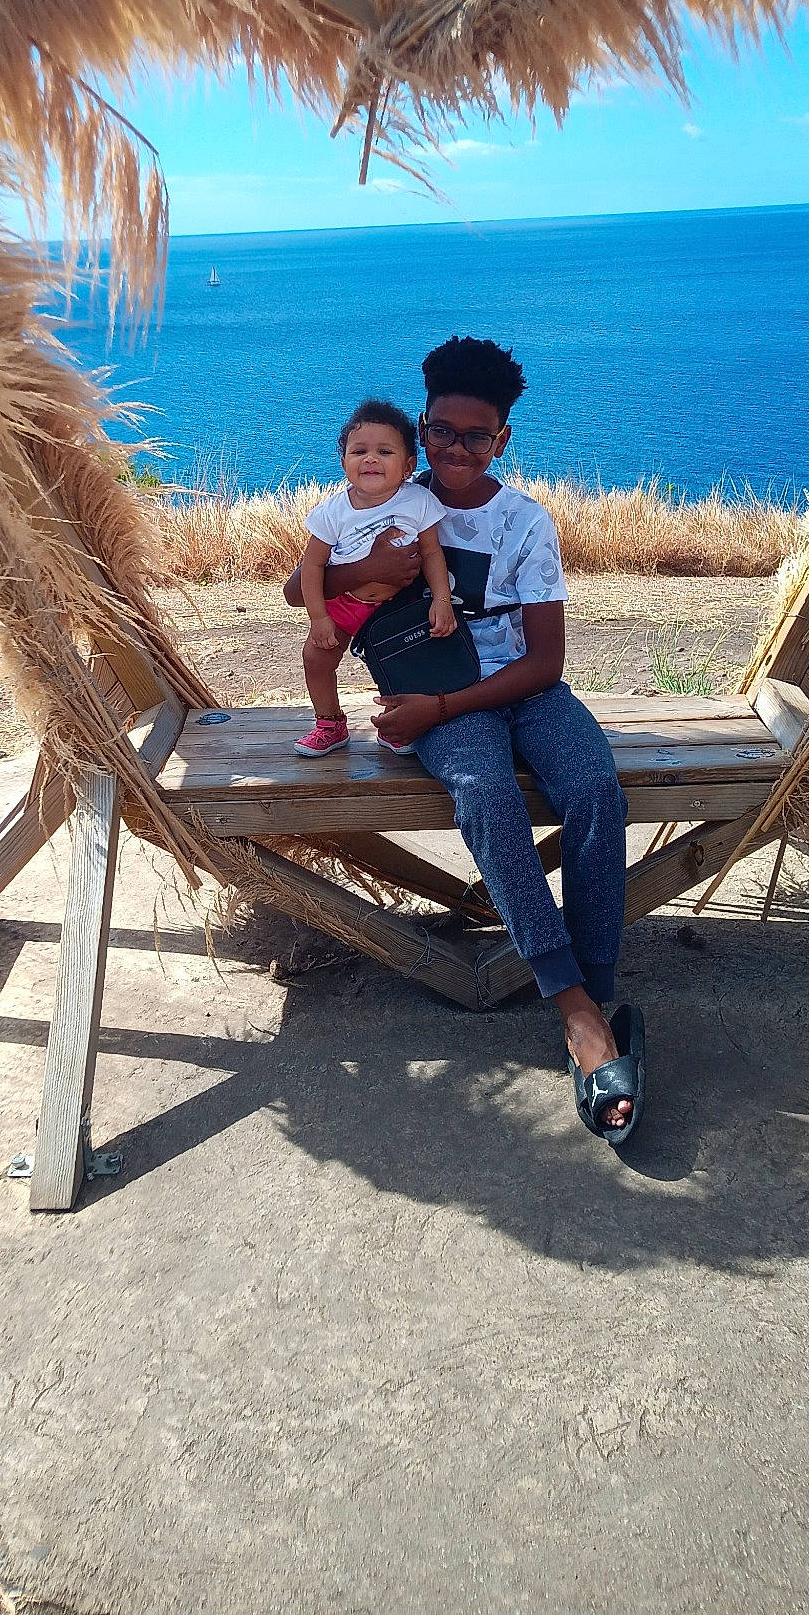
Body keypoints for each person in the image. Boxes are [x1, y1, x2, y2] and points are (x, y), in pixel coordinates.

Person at [284, 338, 639, 1142]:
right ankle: (574, 1006)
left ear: (502, 440)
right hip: (432, 695)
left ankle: (599, 981)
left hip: (517, 690)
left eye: (475, 437)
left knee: (593, 791)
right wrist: (372, 566)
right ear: (421, 425)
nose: (453, 449)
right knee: (484, 795)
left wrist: (439, 709)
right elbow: (292, 586)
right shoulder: (384, 499)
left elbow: (547, 660)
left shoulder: (524, 522)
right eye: (439, 431)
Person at [294, 399, 457, 756]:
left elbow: (432, 553)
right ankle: (330, 723)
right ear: (344, 462)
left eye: (384, 451)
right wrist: (319, 617)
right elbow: (312, 567)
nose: (370, 459)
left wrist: (442, 601)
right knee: (316, 658)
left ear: (408, 466)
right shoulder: (331, 512)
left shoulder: (418, 501)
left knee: (401, 662)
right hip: (346, 603)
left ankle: (395, 723)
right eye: (359, 451)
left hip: (398, 604)